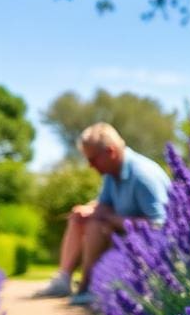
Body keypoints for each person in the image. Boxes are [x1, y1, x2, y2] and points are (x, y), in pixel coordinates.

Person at [35, 123, 170, 304]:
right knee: (82, 219)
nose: (90, 166)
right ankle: (64, 279)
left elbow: (160, 225)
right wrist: (88, 210)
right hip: (123, 237)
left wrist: (113, 219)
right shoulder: (111, 174)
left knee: (97, 225)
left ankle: (87, 287)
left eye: (93, 159)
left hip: (151, 246)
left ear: (111, 152)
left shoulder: (143, 176)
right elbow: (104, 205)